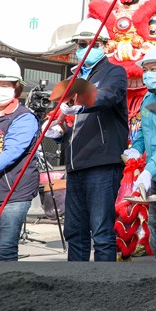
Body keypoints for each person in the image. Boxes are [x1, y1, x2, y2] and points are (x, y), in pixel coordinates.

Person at [48, 19, 128, 262]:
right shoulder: (70, 81)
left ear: (102, 45)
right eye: (79, 44)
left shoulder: (114, 72)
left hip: (101, 163)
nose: (83, 49)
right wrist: (59, 130)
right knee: (75, 231)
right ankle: (76, 283)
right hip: (75, 165)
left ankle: (104, 288)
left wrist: (80, 104)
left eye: (88, 44)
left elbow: (107, 96)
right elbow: (66, 118)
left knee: (101, 231)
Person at [122, 47, 156, 262]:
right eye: (146, 69)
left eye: (155, 68)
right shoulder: (148, 99)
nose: (149, 73)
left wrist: (149, 170)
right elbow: (143, 131)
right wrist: (136, 148)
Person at [0, 59, 39, 261]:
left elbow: (11, 152)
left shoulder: (24, 117)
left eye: (5, 85)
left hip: (14, 191)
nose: (0, 89)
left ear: (16, 87)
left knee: (4, 248)